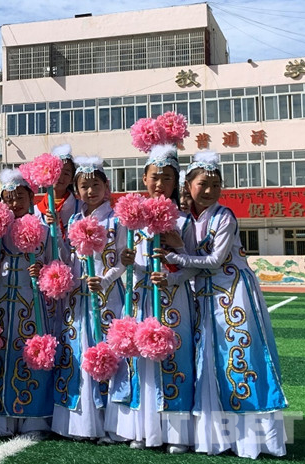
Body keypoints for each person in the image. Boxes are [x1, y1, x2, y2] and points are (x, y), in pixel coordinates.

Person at [155, 150, 288, 459]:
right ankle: (214, 438)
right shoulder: (187, 221)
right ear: (188, 186)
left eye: (215, 185)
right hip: (206, 296)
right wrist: (172, 278)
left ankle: (253, 440)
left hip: (234, 293)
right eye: (203, 184)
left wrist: (173, 257)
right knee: (209, 361)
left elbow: (215, 261)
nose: (209, 190)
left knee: (240, 357)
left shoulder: (224, 216)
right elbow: (192, 266)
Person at [105, 143, 196, 453]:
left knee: (174, 357)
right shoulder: (130, 219)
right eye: (155, 177)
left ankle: (176, 433)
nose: (160, 183)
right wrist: (126, 260)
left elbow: (193, 267)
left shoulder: (184, 220)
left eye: (167, 177)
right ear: (144, 178)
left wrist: (177, 252)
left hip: (174, 299)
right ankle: (141, 429)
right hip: (140, 296)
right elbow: (123, 261)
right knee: (139, 361)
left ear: (176, 182)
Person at [52, 157, 129, 443]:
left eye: (96, 185)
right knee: (78, 351)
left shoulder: (116, 219)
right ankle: (81, 423)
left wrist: (106, 280)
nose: (90, 191)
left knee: (108, 351)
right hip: (78, 297)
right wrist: (55, 234)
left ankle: (112, 422)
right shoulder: (74, 219)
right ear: (77, 190)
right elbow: (67, 256)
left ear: (106, 186)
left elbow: (123, 259)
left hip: (109, 297)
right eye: (84, 186)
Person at [0, 168, 54, 439]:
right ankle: (0, 417)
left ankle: (33, 419)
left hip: (31, 305)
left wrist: (43, 271)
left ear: (31, 197)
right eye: (9, 198)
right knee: (1, 357)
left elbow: (55, 265)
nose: (15, 203)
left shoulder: (45, 229)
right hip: (2, 304)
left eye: (20, 197)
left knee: (34, 354)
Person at [35, 144, 81, 239]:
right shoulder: (37, 211)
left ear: (72, 179)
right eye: (57, 171)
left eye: (66, 173)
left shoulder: (81, 208)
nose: (60, 177)